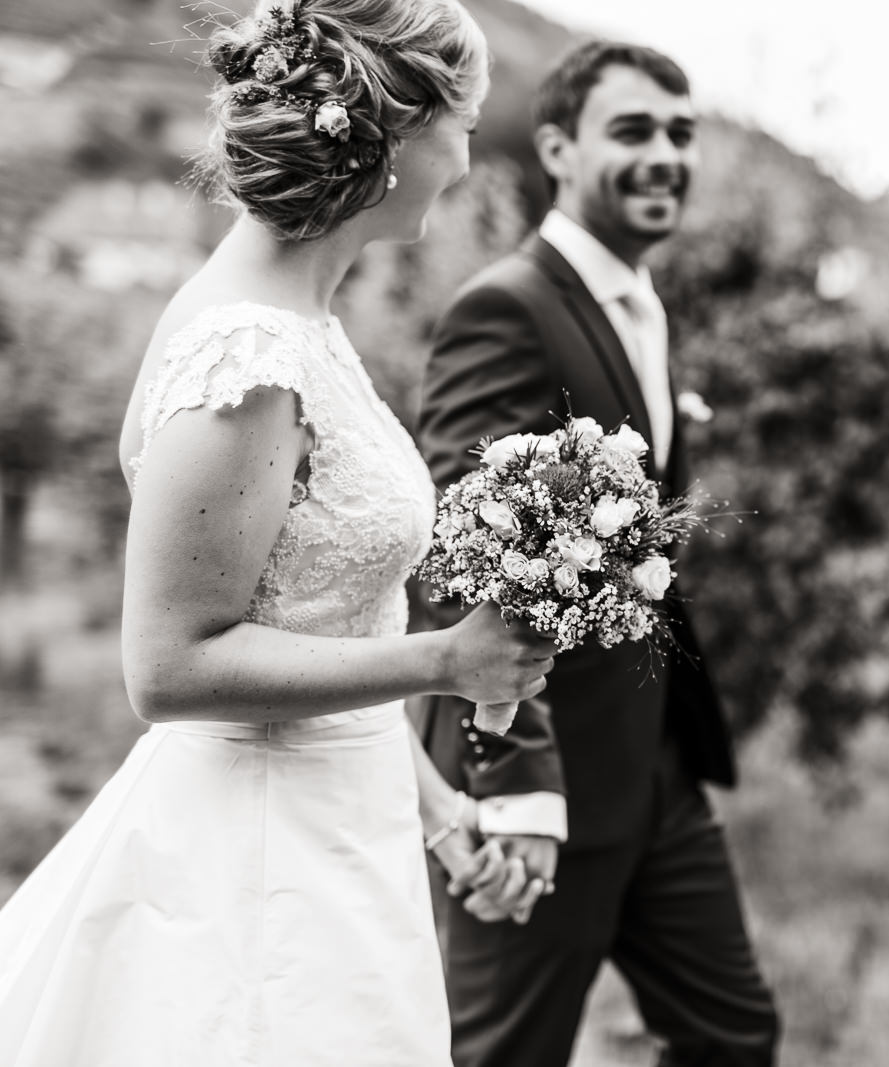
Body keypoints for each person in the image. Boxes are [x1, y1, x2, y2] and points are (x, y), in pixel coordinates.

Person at [0, 2, 555, 1064]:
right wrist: (446, 660)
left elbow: (316, 618)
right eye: (465, 124)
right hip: (253, 884)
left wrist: (439, 812)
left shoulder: (305, 326)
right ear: (393, 134)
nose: (471, 157)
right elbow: (167, 665)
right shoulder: (246, 349)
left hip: (345, 837)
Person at [413, 39, 782, 1067]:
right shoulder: (505, 307)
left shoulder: (642, 305)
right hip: (543, 771)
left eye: (680, 132)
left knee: (732, 1033)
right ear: (557, 149)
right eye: (632, 131)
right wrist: (520, 784)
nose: (665, 154)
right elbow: (464, 557)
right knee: (502, 1053)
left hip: (656, 762)